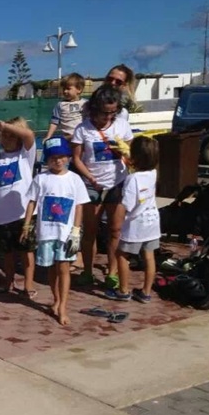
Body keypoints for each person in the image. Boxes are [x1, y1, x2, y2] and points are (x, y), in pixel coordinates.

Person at [21, 136, 89, 326]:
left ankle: (64, 307)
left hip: (66, 234)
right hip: (46, 233)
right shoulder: (41, 179)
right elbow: (32, 202)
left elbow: (79, 206)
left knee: (64, 268)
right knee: (51, 269)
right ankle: (56, 299)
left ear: (67, 157)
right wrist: (26, 225)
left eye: (61, 157)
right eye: (53, 158)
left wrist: (76, 229)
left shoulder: (75, 179)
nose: (58, 161)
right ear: (47, 160)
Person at [71, 86, 134, 289]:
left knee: (115, 231)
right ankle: (88, 271)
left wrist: (124, 151)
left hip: (117, 182)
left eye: (112, 112)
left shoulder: (122, 125)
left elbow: (132, 156)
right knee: (90, 231)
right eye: (104, 112)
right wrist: (89, 177)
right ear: (94, 109)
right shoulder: (83, 129)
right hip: (91, 184)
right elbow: (77, 159)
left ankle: (112, 272)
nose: (108, 117)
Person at [0, 118, 37, 297]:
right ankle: (9, 281)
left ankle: (28, 285)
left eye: (11, 135)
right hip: (3, 215)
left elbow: (30, 135)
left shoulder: (25, 155)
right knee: (7, 253)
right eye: (4, 136)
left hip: (24, 213)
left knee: (26, 251)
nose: (7, 138)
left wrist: (6, 126)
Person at [105, 136, 160, 303]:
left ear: (134, 157)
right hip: (152, 222)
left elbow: (125, 205)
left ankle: (123, 290)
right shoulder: (153, 173)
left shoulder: (132, 179)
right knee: (149, 256)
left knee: (122, 255)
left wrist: (116, 223)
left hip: (136, 224)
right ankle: (146, 292)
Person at [43, 73, 86, 141]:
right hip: (68, 138)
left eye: (68, 89)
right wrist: (48, 136)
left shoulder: (86, 103)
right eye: (64, 89)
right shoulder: (60, 105)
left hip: (83, 137)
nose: (65, 91)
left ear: (79, 89)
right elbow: (54, 122)